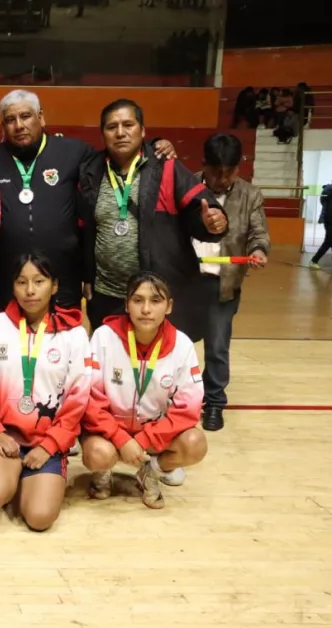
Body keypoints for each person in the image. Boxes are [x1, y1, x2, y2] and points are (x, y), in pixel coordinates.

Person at [0, 90, 176, 313]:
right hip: (7, 280)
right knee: (12, 344)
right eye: (10, 120)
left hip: (63, 281)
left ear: (40, 117)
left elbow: (119, 152)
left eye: (25, 116)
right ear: (2, 126)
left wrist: (155, 145)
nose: (19, 125)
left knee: (61, 345)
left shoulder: (74, 152)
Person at [79, 98, 228, 342]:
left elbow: (200, 210)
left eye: (128, 124)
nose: (120, 132)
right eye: (111, 126)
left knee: (158, 367)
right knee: (110, 367)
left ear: (143, 130)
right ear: (102, 133)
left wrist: (212, 223)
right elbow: (85, 229)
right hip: (107, 294)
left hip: (154, 297)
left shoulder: (166, 168)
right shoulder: (90, 172)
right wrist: (87, 275)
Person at [0, 252, 91, 531]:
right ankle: (7, 475)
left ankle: (29, 480)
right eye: (22, 282)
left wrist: (49, 445)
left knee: (39, 518)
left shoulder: (74, 334)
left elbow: (77, 400)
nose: (30, 290)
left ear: (54, 286)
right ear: (13, 286)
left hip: (47, 441)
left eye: (39, 281)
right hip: (3, 437)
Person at [81, 272, 208, 509]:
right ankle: (103, 472)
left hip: (152, 432)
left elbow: (187, 409)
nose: (146, 309)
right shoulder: (104, 337)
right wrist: (120, 438)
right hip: (108, 433)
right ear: (127, 304)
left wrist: (144, 440)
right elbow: (89, 399)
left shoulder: (182, 346)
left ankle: (150, 472)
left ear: (169, 306)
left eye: (156, 301)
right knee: (98, 453)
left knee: (195, 443)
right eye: (138, 300)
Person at [194, 133, 270, 433]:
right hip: (185, 282)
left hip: (223, 285)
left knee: (217, 347)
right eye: (216, 171)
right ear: (204, 165)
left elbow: (258, 233)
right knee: (175, 345)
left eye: (230, 172)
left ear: (240, 167)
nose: (222, 179)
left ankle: (214, 401)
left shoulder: (251, 195)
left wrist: (258, 250)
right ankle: (174, 399)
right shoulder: (186, 187)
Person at [310, 180, 332, 269]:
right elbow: (329, 210)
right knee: (328, 242)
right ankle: (314, 260)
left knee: (329, 241)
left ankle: (314, 260)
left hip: (329, 220)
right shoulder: (329, 193)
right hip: (330, 221)